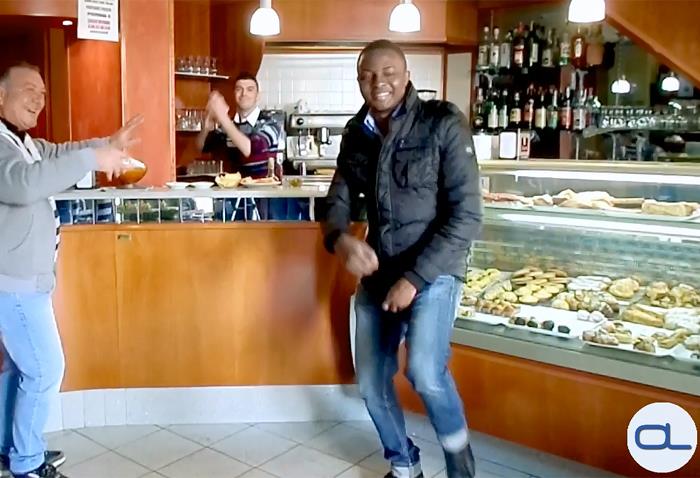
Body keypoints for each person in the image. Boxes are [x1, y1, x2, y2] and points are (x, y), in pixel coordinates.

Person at [322, 40, 482, 478]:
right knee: (371, 384)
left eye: (389, 72)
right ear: (359, 81)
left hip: (434, 272)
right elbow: (337, 200)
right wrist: (340, 240)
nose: (379, 82)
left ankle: (459, 461)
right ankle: (404, 464)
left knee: (426, 373)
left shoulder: (442, 122)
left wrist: (413, 279)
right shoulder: (356, 134)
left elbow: (467, 215)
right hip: (379, 275)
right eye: (368, 75)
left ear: (407, 75)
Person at [0, 61, 142, 478]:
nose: (38, 100)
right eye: (28, 90)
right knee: (45, 369)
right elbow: (24, 183)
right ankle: (27, 463)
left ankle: (11, 447)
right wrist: (94, 157)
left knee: (19, 367)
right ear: (1, 94)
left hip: (27, 280)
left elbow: (58, 154)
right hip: (13, 283)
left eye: (43, 94)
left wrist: (106, 145)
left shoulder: (21, 141)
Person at [197, 73, 293, 220]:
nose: (244, 94)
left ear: (258, 96)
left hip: (266, 203)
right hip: (233, 202)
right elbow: (201, 147)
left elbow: (252, 150)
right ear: (234, 94)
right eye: (239, 89)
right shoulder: (229, 126)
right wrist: (207, 124)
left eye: (250, 89)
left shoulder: (270, 124)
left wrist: (222, 117)